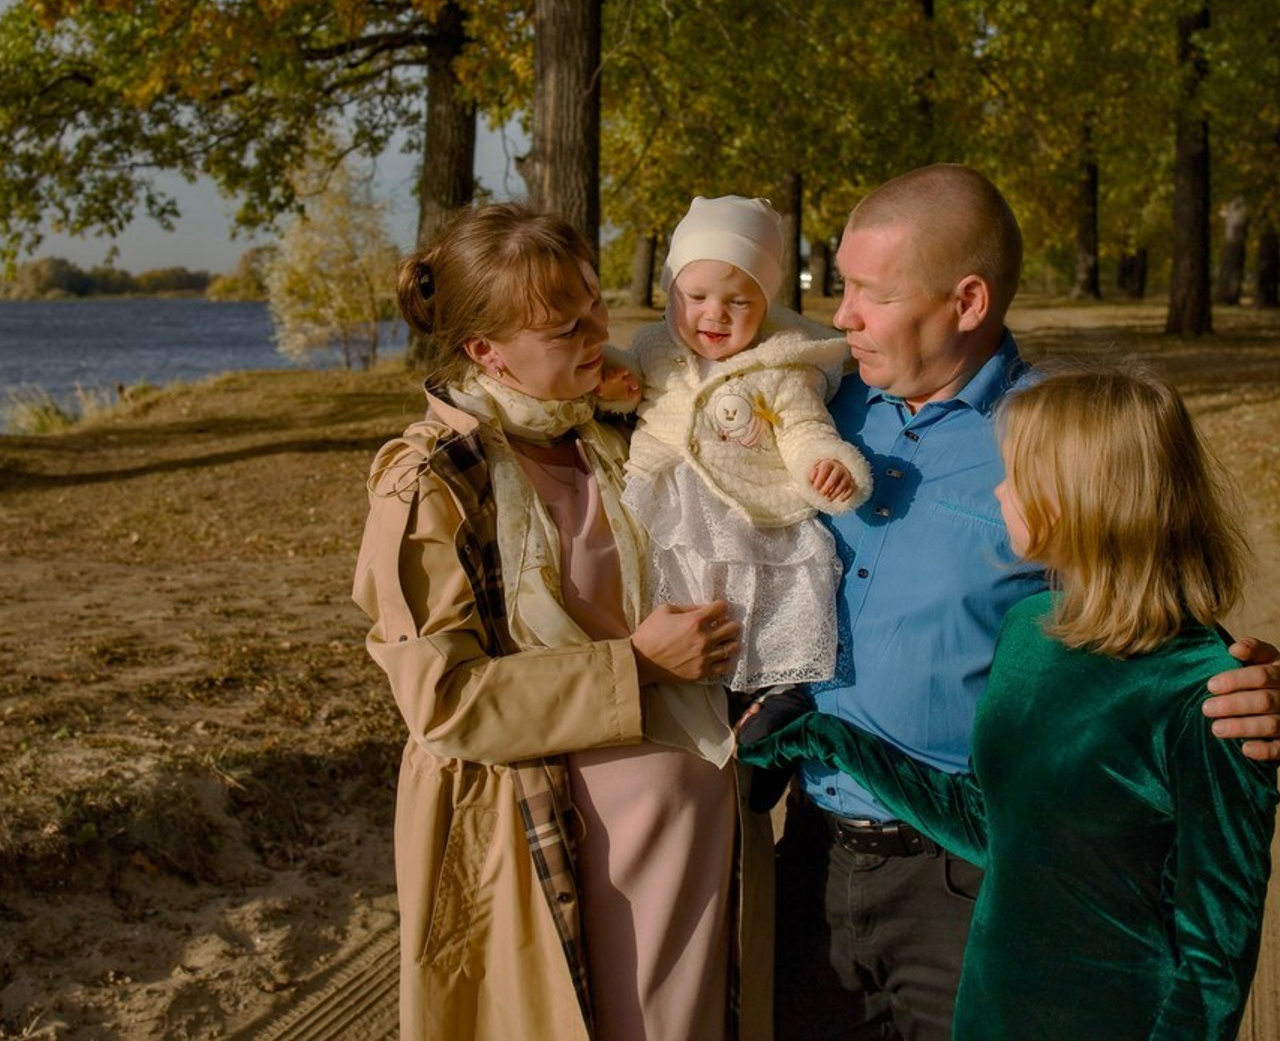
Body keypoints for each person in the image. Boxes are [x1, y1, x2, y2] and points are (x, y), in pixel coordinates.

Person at [757, 162, 1280, 1041]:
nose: (841, 315)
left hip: (973, 884)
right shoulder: (814, 405)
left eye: (871, 293)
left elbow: (1149, 617)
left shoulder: (1060, 443)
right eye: (841, 284)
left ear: (967, 301)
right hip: (807, 856)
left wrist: (1245, 688)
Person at [351, 203, 772, 1041]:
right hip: (554, 851)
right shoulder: (434, 484)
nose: (597, 335)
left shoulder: (621, 423)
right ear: (486, 352)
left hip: (697, 830)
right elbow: (445, 703)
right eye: (563, 329)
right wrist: (636, 665)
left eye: (596, 306)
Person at [621, 194, 873, 693]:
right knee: (664, 607)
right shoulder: (652, 348)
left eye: (738, 302)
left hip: (750, 520)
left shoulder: (781, 365)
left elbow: (803, 428)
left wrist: (823, 464)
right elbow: (626, 390)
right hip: (666, 517)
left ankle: (764, 695)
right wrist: (613, 387)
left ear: (765, 304)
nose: (715, 314)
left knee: (749, 617)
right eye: (696, 297)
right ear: (670, 289)